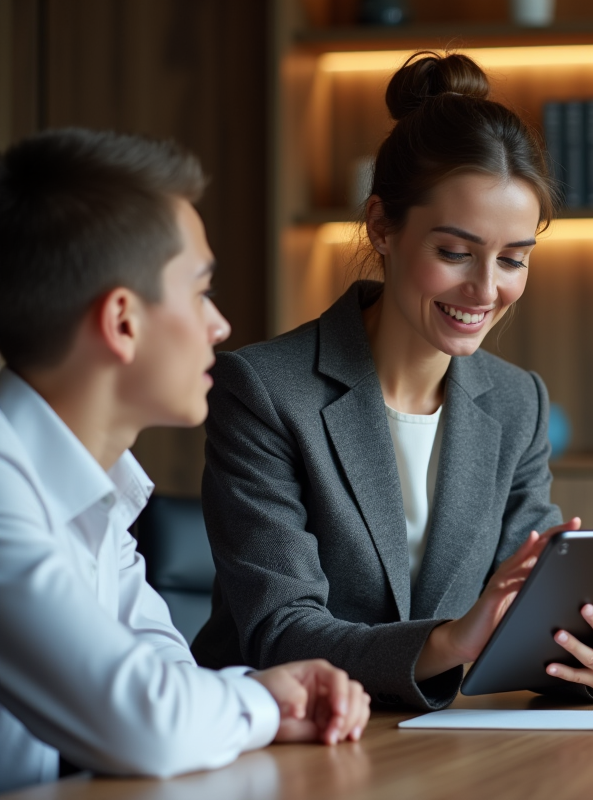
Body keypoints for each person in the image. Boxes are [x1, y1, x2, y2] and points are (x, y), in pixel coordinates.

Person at [192, 52, 593, 709]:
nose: (485, 289)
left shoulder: (516, 401)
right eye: (454, 253)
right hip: (279, 739)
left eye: (512, 259)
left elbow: (530, 615)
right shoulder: (266, 391)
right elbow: (279, 634)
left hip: (432, 748)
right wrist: (447, 644)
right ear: (382, 227)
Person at [0, 128, 372, 793]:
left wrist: (258, 698)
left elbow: (163, 679)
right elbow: (146, 721)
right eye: (200, 291)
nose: (220, 325)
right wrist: (260, 704)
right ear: (123, 322)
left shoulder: (100, 491)